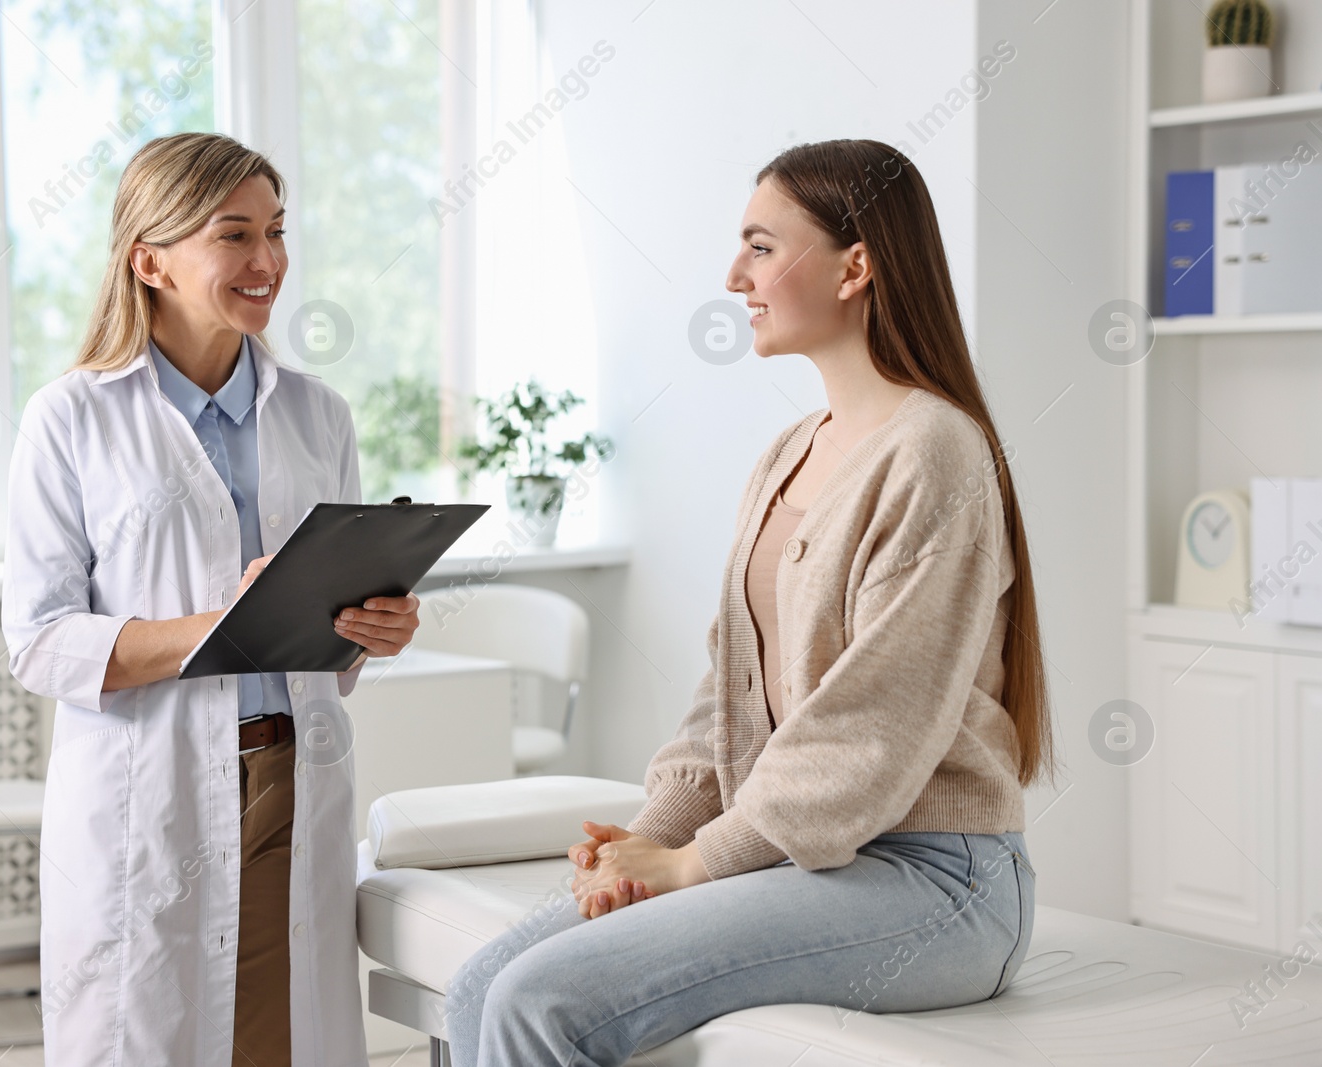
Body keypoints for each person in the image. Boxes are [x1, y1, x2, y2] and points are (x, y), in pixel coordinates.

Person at [443, 138, 1054, 1066]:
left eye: (762, 246)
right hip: (820, 859)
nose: (735, 276)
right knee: (482, 985)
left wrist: (696, 863)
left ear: (857, 266)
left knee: (542, 998)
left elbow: (874, 723)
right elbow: (726, 692)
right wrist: (646, 842)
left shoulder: (935, 450)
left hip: (937, 879)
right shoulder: (788, 451)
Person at [2, 131, 418, 1067]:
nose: (267, 261)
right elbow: (40, 640)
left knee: (276, 1037)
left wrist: (367, 630)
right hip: (148, 793)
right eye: (234, 235)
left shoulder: (320, 414)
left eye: (276, 231)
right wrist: (218, 628)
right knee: (147, 1033)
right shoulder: (71, 418)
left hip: (288, 778)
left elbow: (328, 647)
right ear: (150, 260)